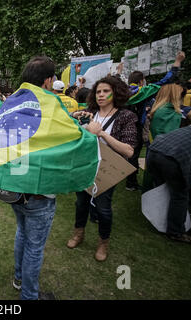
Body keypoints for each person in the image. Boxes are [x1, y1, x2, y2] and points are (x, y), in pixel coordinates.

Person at [0, 56, 100, 299]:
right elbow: (69, 138)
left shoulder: (11, 101)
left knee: (22, 233)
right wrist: (91, 133)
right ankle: (30, 296)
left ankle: (19, 279)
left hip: (13, 188)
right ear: (48, 80)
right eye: (53, 77)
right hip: (38, 194)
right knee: (34, 246)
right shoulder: (49, 101)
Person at [67, 76, 137, 262]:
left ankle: (102, 243)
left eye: (106, 91)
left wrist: (101, 133)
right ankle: (78, 234)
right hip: (86, 165)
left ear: (116, 92)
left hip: (107, 170)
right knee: (81, 202)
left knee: (103, 208)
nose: (101, 95)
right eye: (98, 91)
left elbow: (129, 151)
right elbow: (70, 121)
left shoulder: (126, 116)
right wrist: (74, 116)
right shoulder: (90, 112)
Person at [123, 51, 185, 191]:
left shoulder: (123, 90)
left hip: (124, 126)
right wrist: (177, 62)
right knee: (134, 154)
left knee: (128, 153)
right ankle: (131, 183)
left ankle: (129, 181)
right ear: (141, 81)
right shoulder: (144, 91)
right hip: (137, 127)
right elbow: (165, 81)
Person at [146, 126, 191, 244]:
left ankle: (159, 219)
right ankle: (175, 232)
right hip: (173, 158)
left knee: (163, 190)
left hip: (154, 150)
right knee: (180, 195)